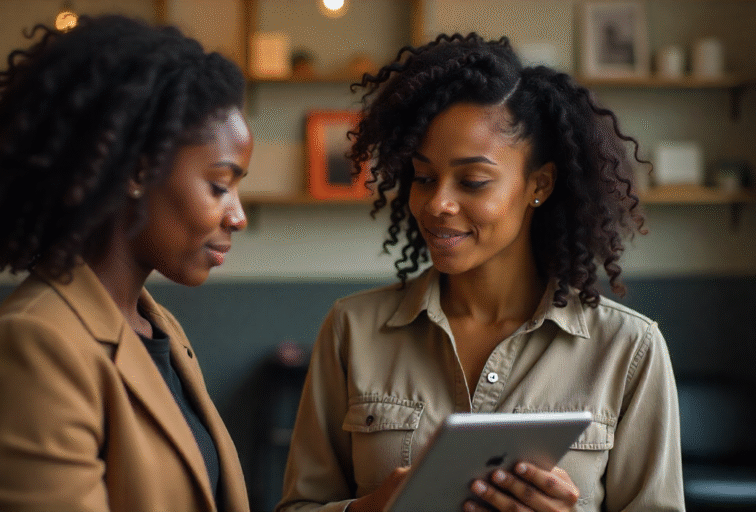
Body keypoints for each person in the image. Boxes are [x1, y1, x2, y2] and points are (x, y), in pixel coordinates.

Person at [277, 33, 684, 512]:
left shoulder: (629, 350)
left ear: (540, 184)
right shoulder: (352, 331)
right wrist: (370, 508)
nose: (437, 204)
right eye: (423, 177)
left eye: (472, 181)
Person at [0, 15, 253, 512]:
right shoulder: (34, 347)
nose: (237, 216)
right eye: (220, 185)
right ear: (137, 170)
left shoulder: (160, 329)